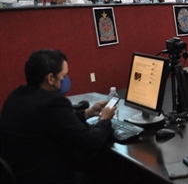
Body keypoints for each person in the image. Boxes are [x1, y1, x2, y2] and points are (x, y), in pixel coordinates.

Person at [0, 49, 115, 183]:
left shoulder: (16, 96)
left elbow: (55, 122)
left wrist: (88, 113)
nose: (65, 80)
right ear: (50, 78)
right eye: (64, 76)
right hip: (44, 177)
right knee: (106, 175)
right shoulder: (52, 103)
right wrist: (105, 119)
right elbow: (91, 143)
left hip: (20, 174)